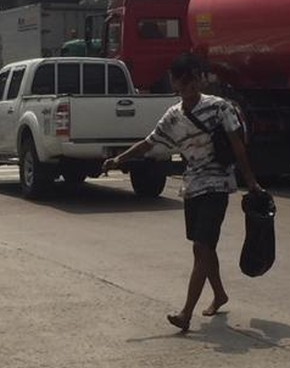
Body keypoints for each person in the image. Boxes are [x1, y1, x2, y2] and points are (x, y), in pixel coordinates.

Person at [102, 53, 264, 332]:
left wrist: (250, 180)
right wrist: (119, 160)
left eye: (193, 80)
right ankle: (220, 294)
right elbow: (148, 143)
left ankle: (185, 314)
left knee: (203, 246)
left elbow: (238, 145)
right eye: (183, 82)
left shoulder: (219, 108)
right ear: (174, 83)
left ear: (200, 80)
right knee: (201, 247)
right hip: (192, 187)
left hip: (218, 185)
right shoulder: (173, 116)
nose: (189, 87)